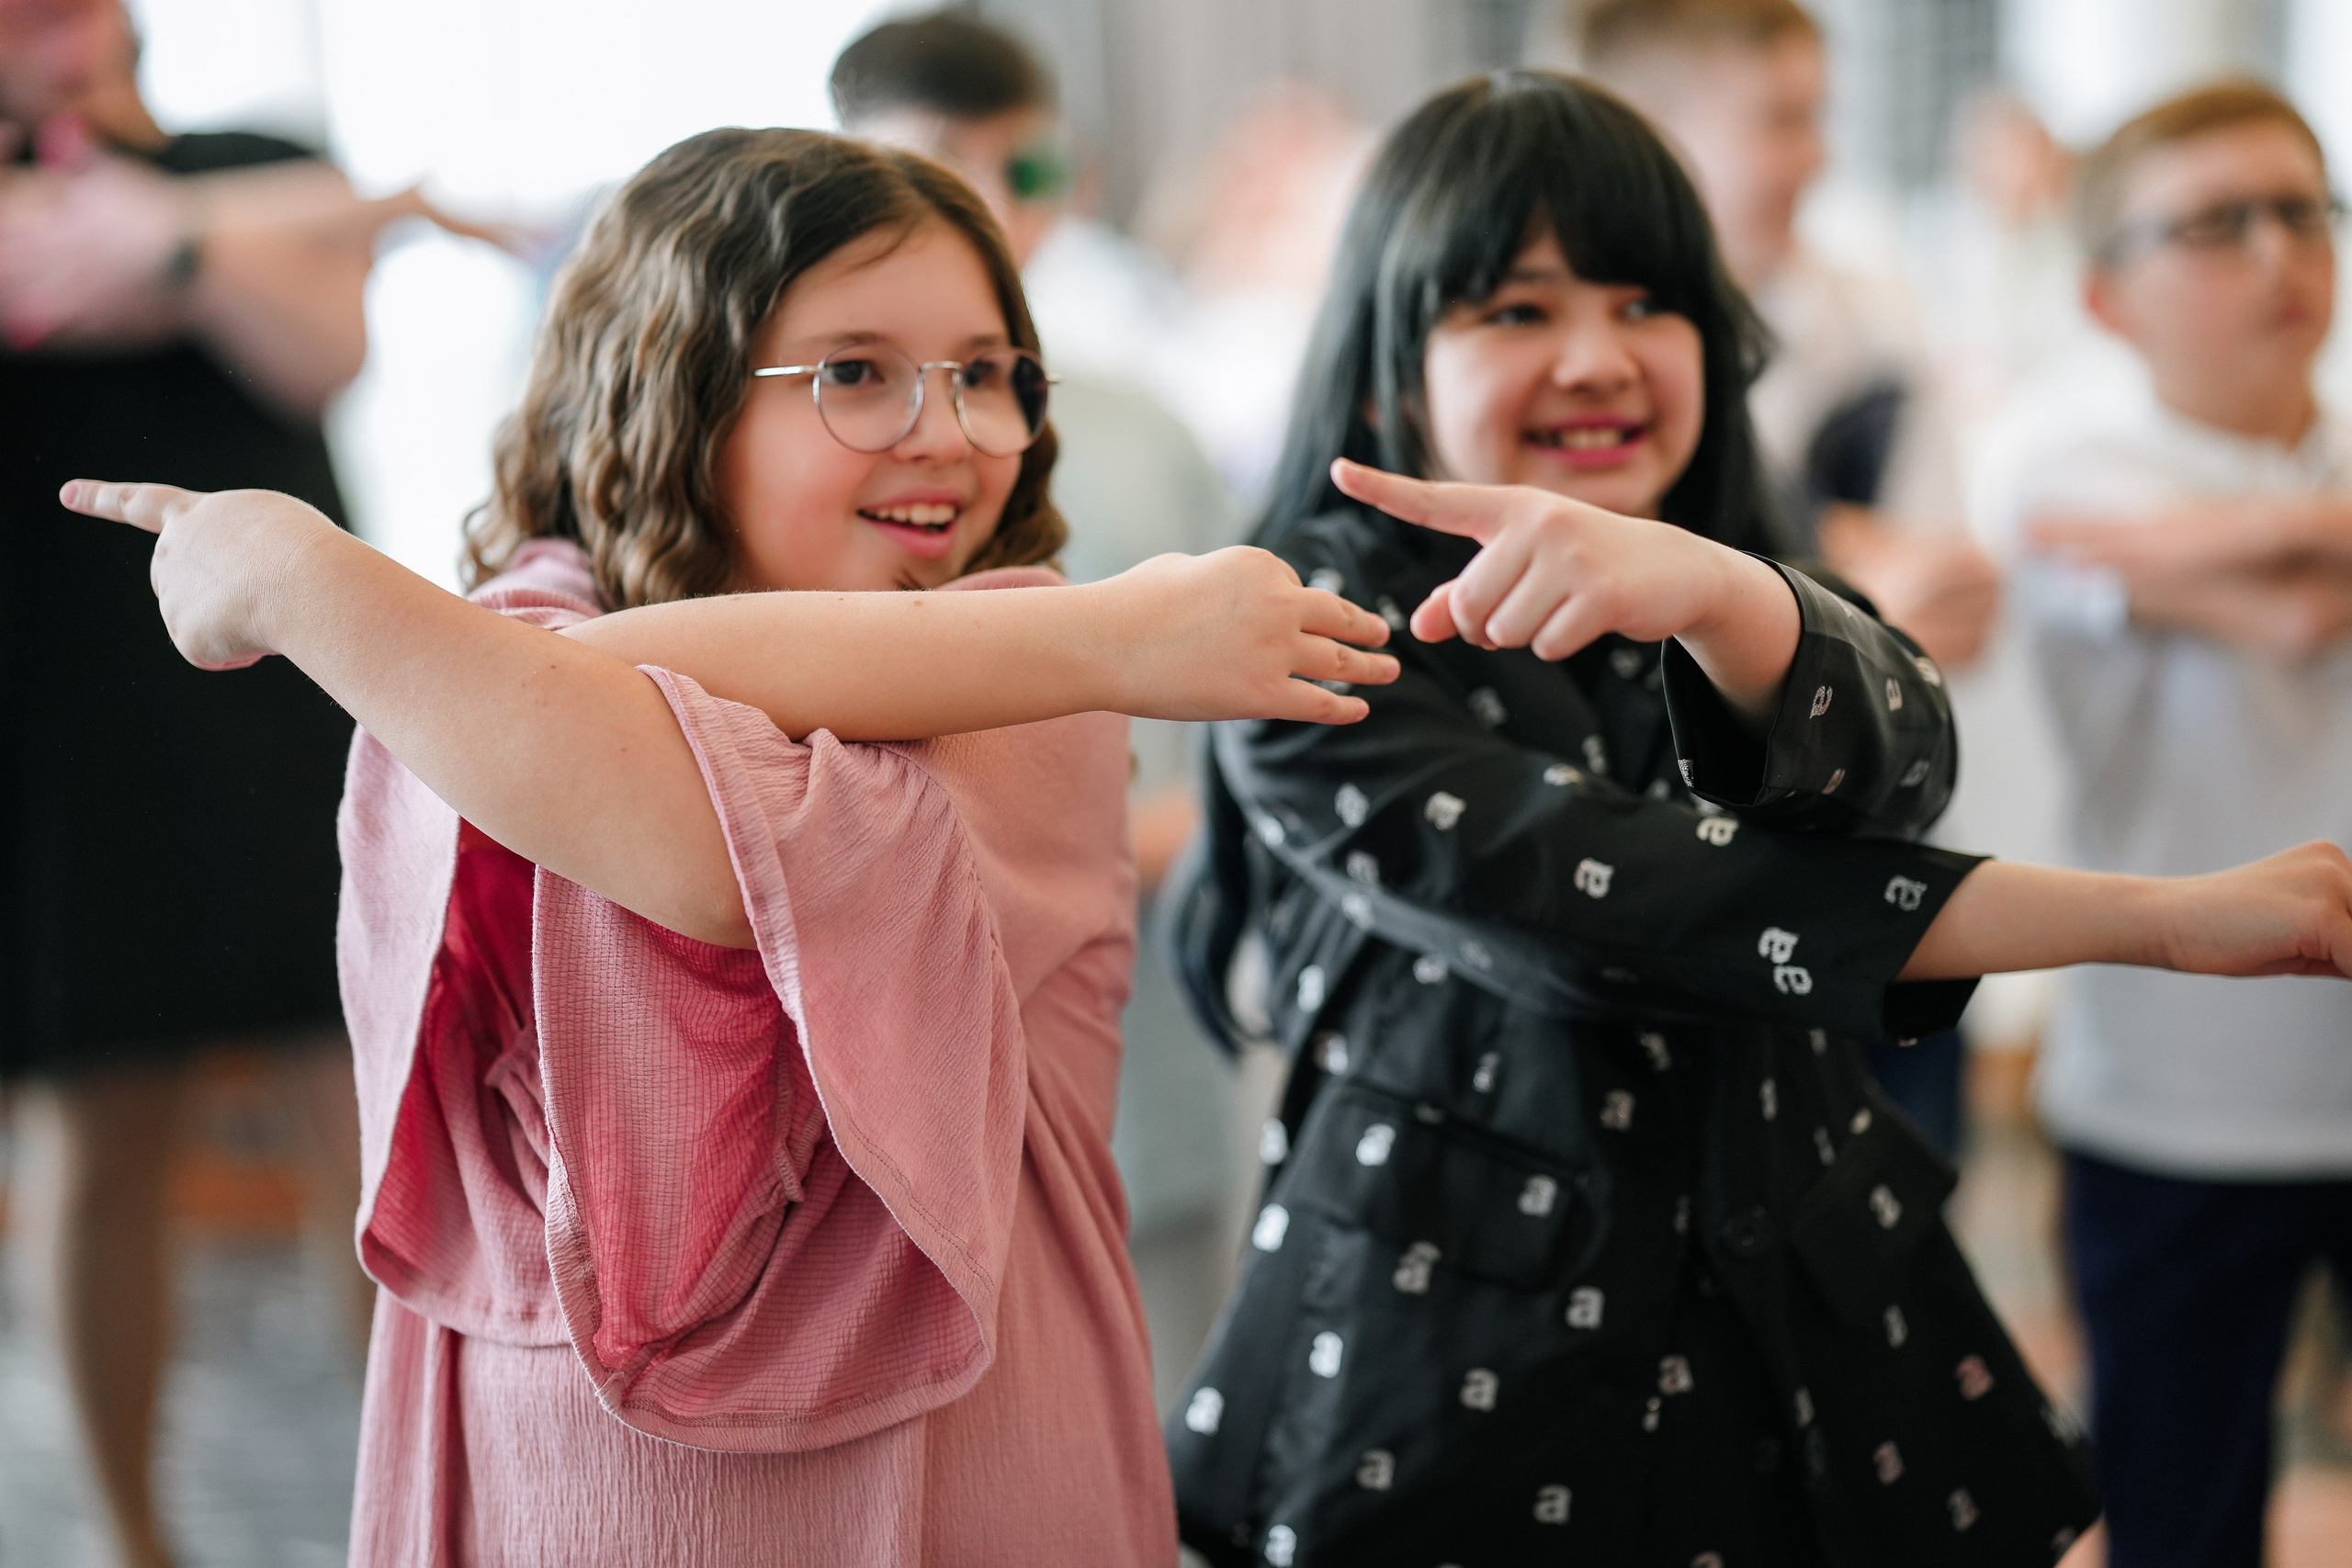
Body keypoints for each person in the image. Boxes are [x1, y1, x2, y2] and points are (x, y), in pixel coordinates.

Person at [61, 127, 1398, 1564]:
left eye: (987, 372)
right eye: (856, 372)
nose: (945, 429)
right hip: (546, 1492)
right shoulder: (495, 658)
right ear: (675, 387)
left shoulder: (1044, 690)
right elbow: (539, 708)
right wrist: (385, 624)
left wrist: (310, 584)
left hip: (958, 1478)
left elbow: (673, 830)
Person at [1159, 70, 2352, 1567]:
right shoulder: (1308, 625)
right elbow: (1639, 909)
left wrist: (1726, 593)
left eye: (1648, 303)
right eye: (1517, 312)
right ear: (1393, 360)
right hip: (1456, 1349)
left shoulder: (1728, 555)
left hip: (1800, 1314)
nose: (1598, 359)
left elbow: (1902, 758)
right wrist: (2158, 920)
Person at [0, 4, 378, 1563]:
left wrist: (172, 237)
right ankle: (129, 1533)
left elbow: (324, 344)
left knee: (361, 1101)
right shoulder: (262, 191)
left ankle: (417, 1495)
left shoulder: (256, 155)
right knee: (101, 1125)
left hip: (284, 682)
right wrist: (201, 244)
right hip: (54, 710)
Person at [831, 8, 1248, 1400]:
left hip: (1139, 1041)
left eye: (1029, 171)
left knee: (1153, 1418)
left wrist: (1122, 836)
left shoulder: (1144, 429)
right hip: (882, 1066)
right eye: (946, 164)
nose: (997, 213)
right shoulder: (804, 445)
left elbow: (1232, 741)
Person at [1987, 81, 2352, 1568]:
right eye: (2215, 224)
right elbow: (2300, 610)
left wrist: (2238, 542)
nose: (2277, 254)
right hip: (2169, 1093)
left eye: (2304, 209)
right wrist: (2279, 546)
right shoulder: (2066, 468)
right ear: (2104, 295)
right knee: (2181, 1520)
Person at [1579, 0, 1993, 1156]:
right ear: (1651, 131)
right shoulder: (1580, 364)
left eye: (1818, 117)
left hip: (1867, 848)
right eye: (1778, 120)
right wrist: (1843, 599)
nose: (1813, 156)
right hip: (1659, 882)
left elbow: (1949, 605)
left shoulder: (1866, 319)